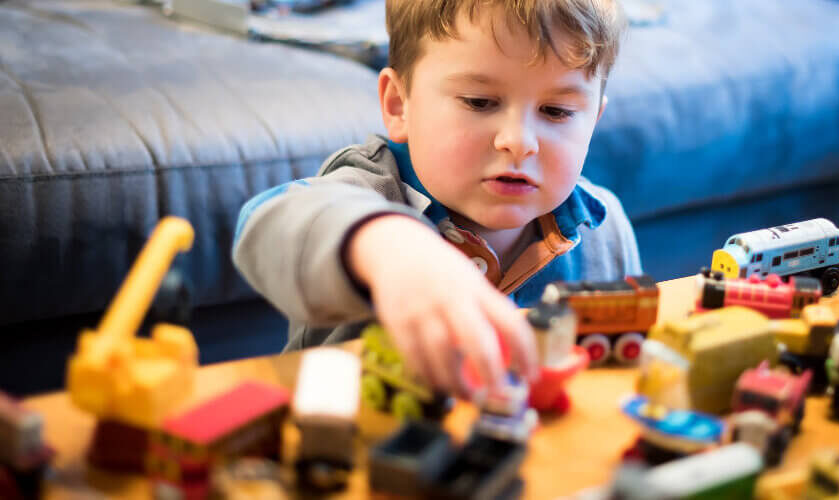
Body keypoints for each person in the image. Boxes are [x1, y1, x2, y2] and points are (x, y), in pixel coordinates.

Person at [232, 0, 641, 396]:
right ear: (398, 106)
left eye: (556, 111)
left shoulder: (605, 229)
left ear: (594, 120)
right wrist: (385, 246)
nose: (518, 142)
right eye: (480, 102)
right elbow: (265, 225)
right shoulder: (370, 190)